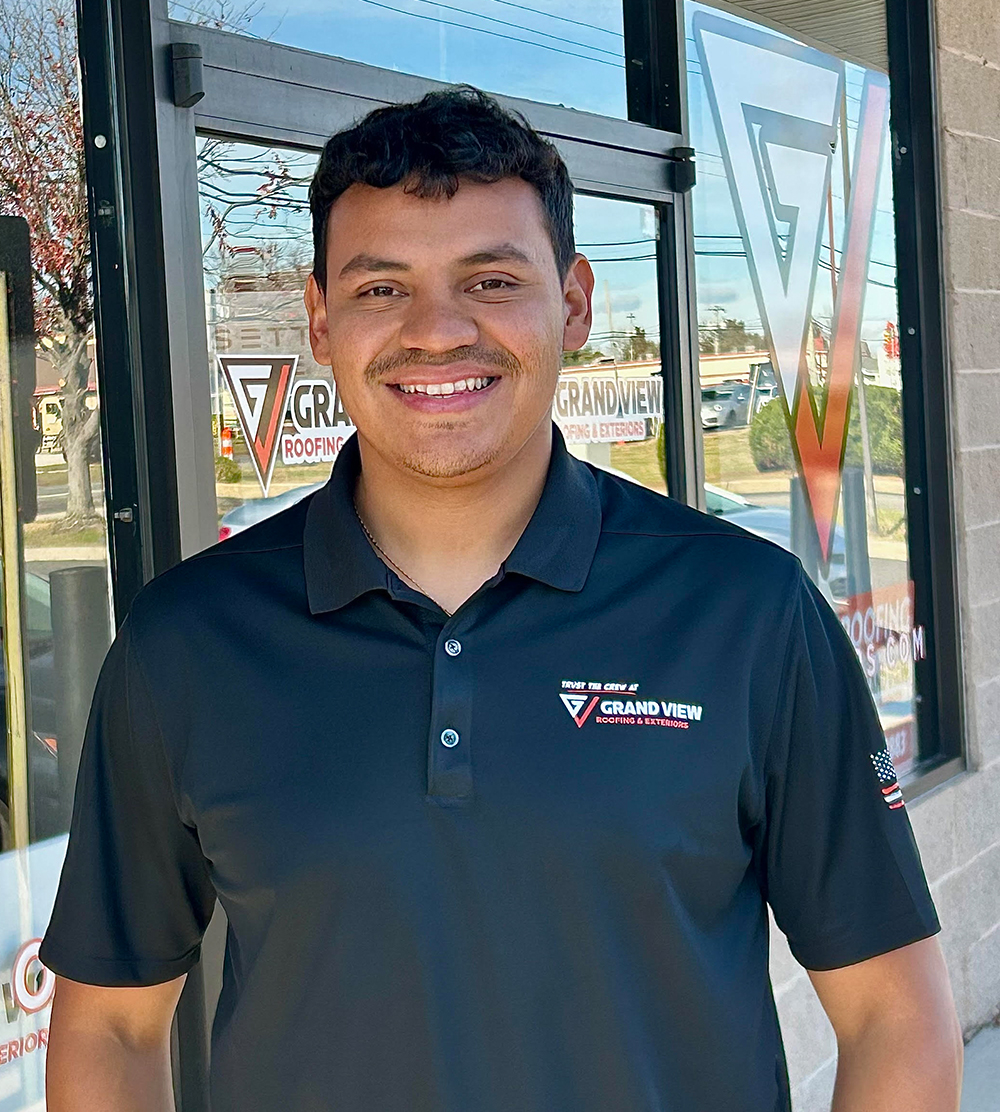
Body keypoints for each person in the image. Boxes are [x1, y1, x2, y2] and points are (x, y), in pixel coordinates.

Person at [41, 87, 961, 1112]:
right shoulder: (188, 643)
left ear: (571, 302)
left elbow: (895, 1015)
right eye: (381, 288)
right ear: (319, 319)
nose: (437, 332)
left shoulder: (744, 613)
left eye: (489, 278)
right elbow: (112, 1026)